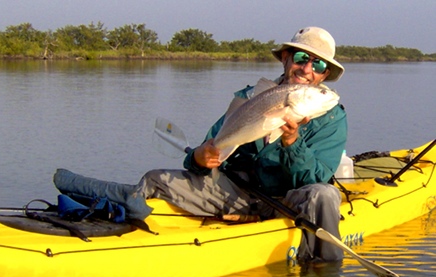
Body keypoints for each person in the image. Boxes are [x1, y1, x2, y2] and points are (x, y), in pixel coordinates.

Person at [54, 26, 347, 262]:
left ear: (324, 75)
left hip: (288, 201)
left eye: (318, 64)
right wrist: (198, 157)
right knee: (156, 178)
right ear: (285, 58)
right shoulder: (250, 97)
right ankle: (115, 231)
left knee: (324, 196)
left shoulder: (331, 117)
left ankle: (323, 275)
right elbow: (211, 147)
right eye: (300, 58)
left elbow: (316, 179)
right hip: (238, 192)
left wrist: (291, 142)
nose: (307, 68)